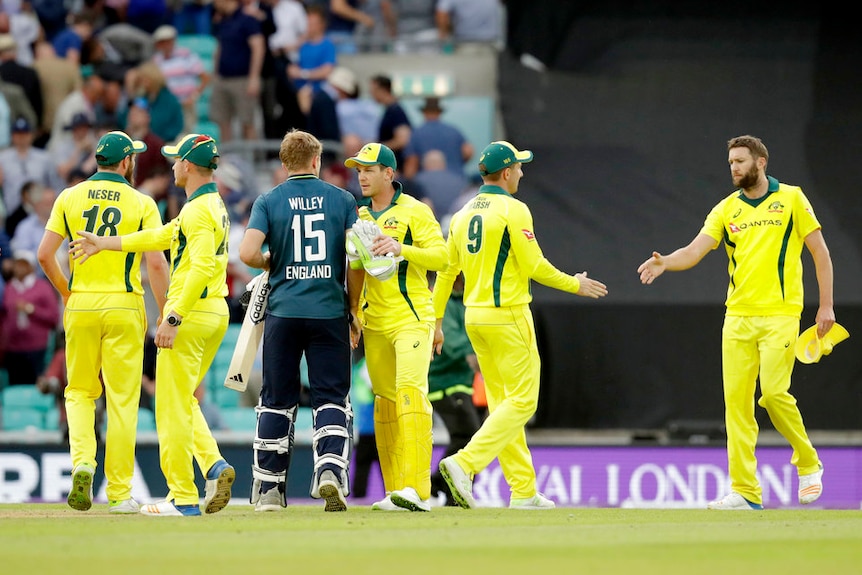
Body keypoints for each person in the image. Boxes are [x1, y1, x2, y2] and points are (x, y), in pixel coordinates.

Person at [637, 135, 833, 510]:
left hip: (780, 314)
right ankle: (745, 491)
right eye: (730, 163)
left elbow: (819, 252)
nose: (734, 168)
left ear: (760, 162)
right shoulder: (726, 209)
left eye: (741, 161)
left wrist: (826, 306)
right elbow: (695, 250)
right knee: (737, 406)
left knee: (774, 394)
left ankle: (807, 461)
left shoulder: (791, 198)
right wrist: (666, 262)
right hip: (738, 318)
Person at [69, 133, 237, 517]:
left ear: (189, 167)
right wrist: (104, 242)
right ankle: (213, 464)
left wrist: (173, 315)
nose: (172, 165)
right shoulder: (210, 204)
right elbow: (161, 236)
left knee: (170, 409)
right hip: (214, 314)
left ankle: (182, 497)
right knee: (182, 400)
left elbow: (202, 267)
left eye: (177, 160)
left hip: (192, 313)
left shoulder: (197, 211)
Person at [434, 141, 608, 510]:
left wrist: (436, 321)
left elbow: (447, 271)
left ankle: (524, 490)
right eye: (519, 167)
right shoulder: (514, 209)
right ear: (507, 171)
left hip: (473, 318)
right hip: (508, 314)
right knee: (524, 401)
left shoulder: (463, 213)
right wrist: (574, 283)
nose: (523, 173)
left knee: (502, 405)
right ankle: (465, 463)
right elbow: (534, 266)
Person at [37, 130, 170, 514]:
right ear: (126, 162)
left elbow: (46, 255)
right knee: (122, 399)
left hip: (81, 304)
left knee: (79, 391)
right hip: (125, 305)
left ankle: (82, 462)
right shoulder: (142, 202)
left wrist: (67, 292)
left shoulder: (69, 196)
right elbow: (156, 262)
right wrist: (164, 311)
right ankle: (119, 493)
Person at [239, 129, 364, 512]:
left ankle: (270, 491)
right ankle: (329, 471)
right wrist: (353, 309)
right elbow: (357, 260)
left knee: (277, 400)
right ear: (317, 161)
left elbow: (246, 252)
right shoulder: (342, 199)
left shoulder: (269, 200)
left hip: (283, 312)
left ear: (283, 163)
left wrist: (267, 262)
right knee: (331, 397)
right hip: (328, 311)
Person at [344, 142, 448, 512]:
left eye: (369, 169)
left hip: (411, 318)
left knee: (410, 393)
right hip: (375, 323)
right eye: (358, 170)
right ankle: (395, 490)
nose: (362, 176)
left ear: (390, 173)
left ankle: (417, 490)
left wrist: (402, 248)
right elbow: (356, 269)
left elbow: (443, 257)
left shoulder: (415, 211)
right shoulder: (359, 215)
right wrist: (353, 311)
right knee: (385, 404)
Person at [428, 272, 481, 505]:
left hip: (461, 381)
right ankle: (442, 484)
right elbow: (450, 339)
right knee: (471, 438)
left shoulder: (463, 301)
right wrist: (471, 353)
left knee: (467, 437)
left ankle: (446, 489)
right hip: (444, 382)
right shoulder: (445, 300)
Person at [1, 248, 59, 385]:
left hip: (36, 348)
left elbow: (53, 317)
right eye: (17, 264)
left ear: (31, 266)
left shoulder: (42, 287)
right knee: (15, 386)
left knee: (36, 385)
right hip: (13, 348)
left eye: (23, 264)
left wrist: (31, 309)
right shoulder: (10, 287)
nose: (18, 268)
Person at [402, 96, 473, 180]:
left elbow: (412, 162)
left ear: (424, 113)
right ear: (439, 112)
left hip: (427, 183)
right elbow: (468, 152)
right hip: (456, 179)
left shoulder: (417, 133)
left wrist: (407, 183)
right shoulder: (454, 131)